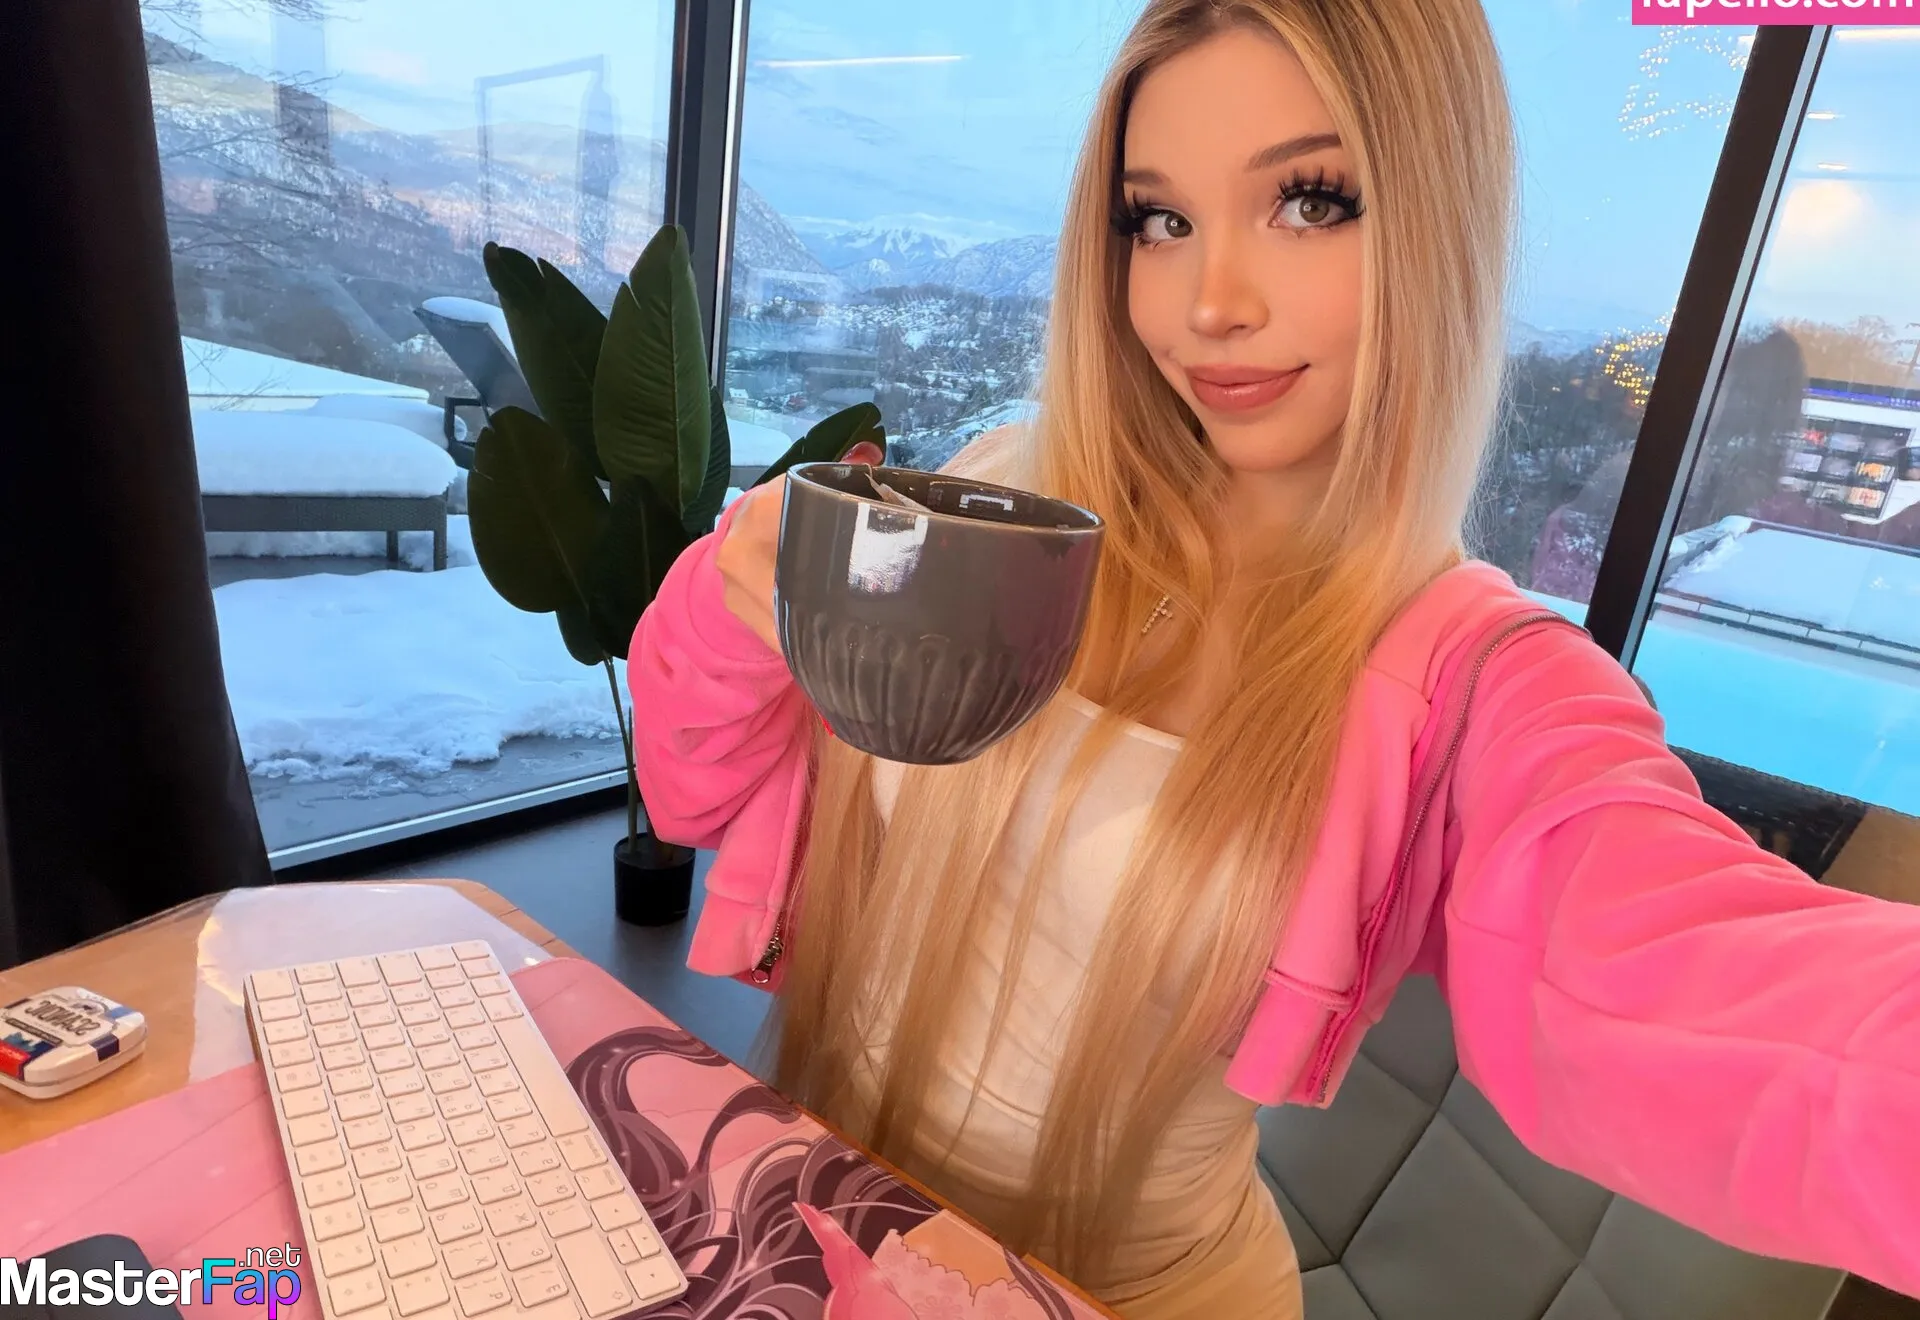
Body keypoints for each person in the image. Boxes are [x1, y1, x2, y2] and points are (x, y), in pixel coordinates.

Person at [630, 1, 1920, 1316]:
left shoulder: (1479, 684)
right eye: (1159, 220)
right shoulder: (1002, 491)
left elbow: (1733, 1003)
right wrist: (740, 597)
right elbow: (688, 788)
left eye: (1311, 203)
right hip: (815, 1224)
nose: (1209, 304)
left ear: (1435, 231)